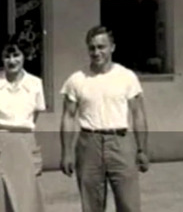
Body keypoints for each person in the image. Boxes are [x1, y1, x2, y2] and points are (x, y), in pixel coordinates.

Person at [59, 26, 150, 212]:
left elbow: (138, 114)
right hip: (88, 143)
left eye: (102, 47)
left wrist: (142, 149)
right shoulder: (77, 79)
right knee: (91, 204)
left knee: (129, 203)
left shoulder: (126, 77)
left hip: (120, 142)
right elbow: (68, 116)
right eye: (92, 48)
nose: (96, 52)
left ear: (112, 48)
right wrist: (67, 152)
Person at [0, 35, 47, 212]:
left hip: (24, 143)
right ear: (1, 58)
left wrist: (18, 132)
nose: (12, 60)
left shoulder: (35, 83)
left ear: (24, 56)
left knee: (27, 197)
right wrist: (1, 131)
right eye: (7, 56)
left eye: (16, 55)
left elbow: (34, 115)